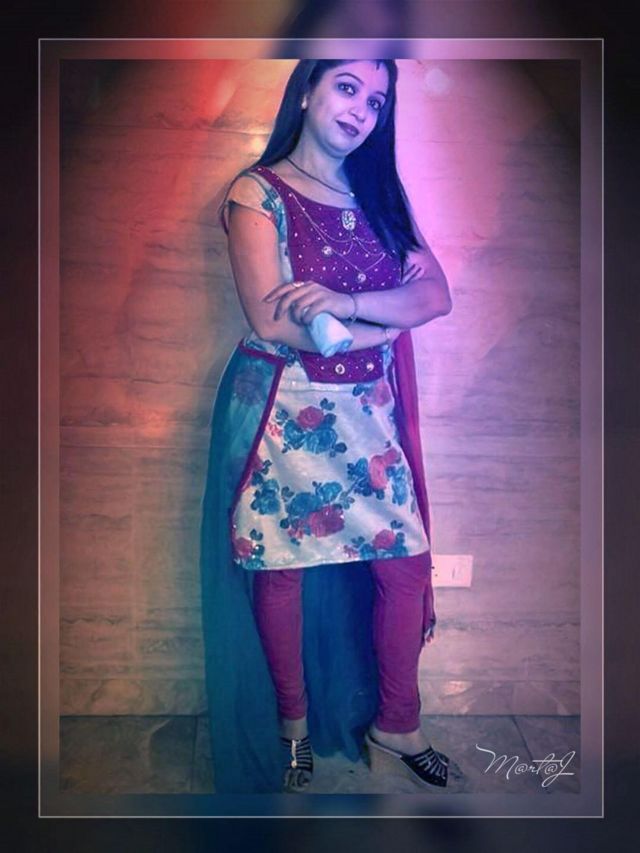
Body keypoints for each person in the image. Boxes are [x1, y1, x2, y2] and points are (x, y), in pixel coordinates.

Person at [199, 59, 453, 795]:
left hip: (369, 417)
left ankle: (397, 723)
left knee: (405, 566)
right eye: (347, 87)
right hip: (285, 413)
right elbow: (272, 320)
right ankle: (293, 730)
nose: (360, 110)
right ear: (307, 89)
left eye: (376, 101)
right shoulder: (257, 193)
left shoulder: (380, 197)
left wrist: (346, 304)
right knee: (281, 569)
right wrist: (382, 322)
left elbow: (434, 295)